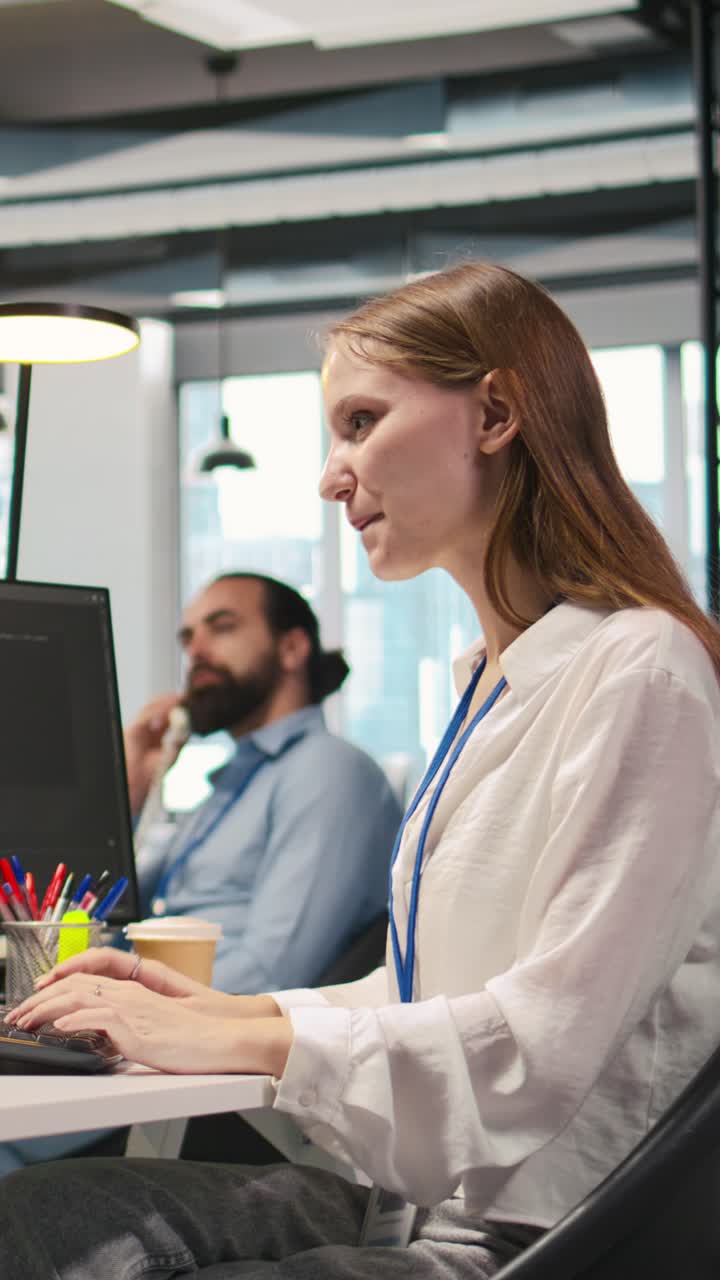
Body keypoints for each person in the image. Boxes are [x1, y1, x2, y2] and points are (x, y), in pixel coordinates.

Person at [1, 260, 719, 1280]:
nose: (333, 474)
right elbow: (427, 988)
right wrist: (211, 1010)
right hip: (418, 1200)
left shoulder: (641, 668)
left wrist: (240, 1042)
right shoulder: (490, 681)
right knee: (31, 1219)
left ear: (496, 413)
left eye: (361, 422)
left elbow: (541, 1044)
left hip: (533, 1235)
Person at [128, 571, 402, 994]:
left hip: (210, 1035)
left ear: (291, 648)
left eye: (222, 628)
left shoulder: (326, 771)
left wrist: (121, 989)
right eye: (188, 638)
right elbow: (107, 910)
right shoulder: (229, 784)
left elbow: (271, 976)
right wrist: (131, 792)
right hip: (161, 1018)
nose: (196, 651)